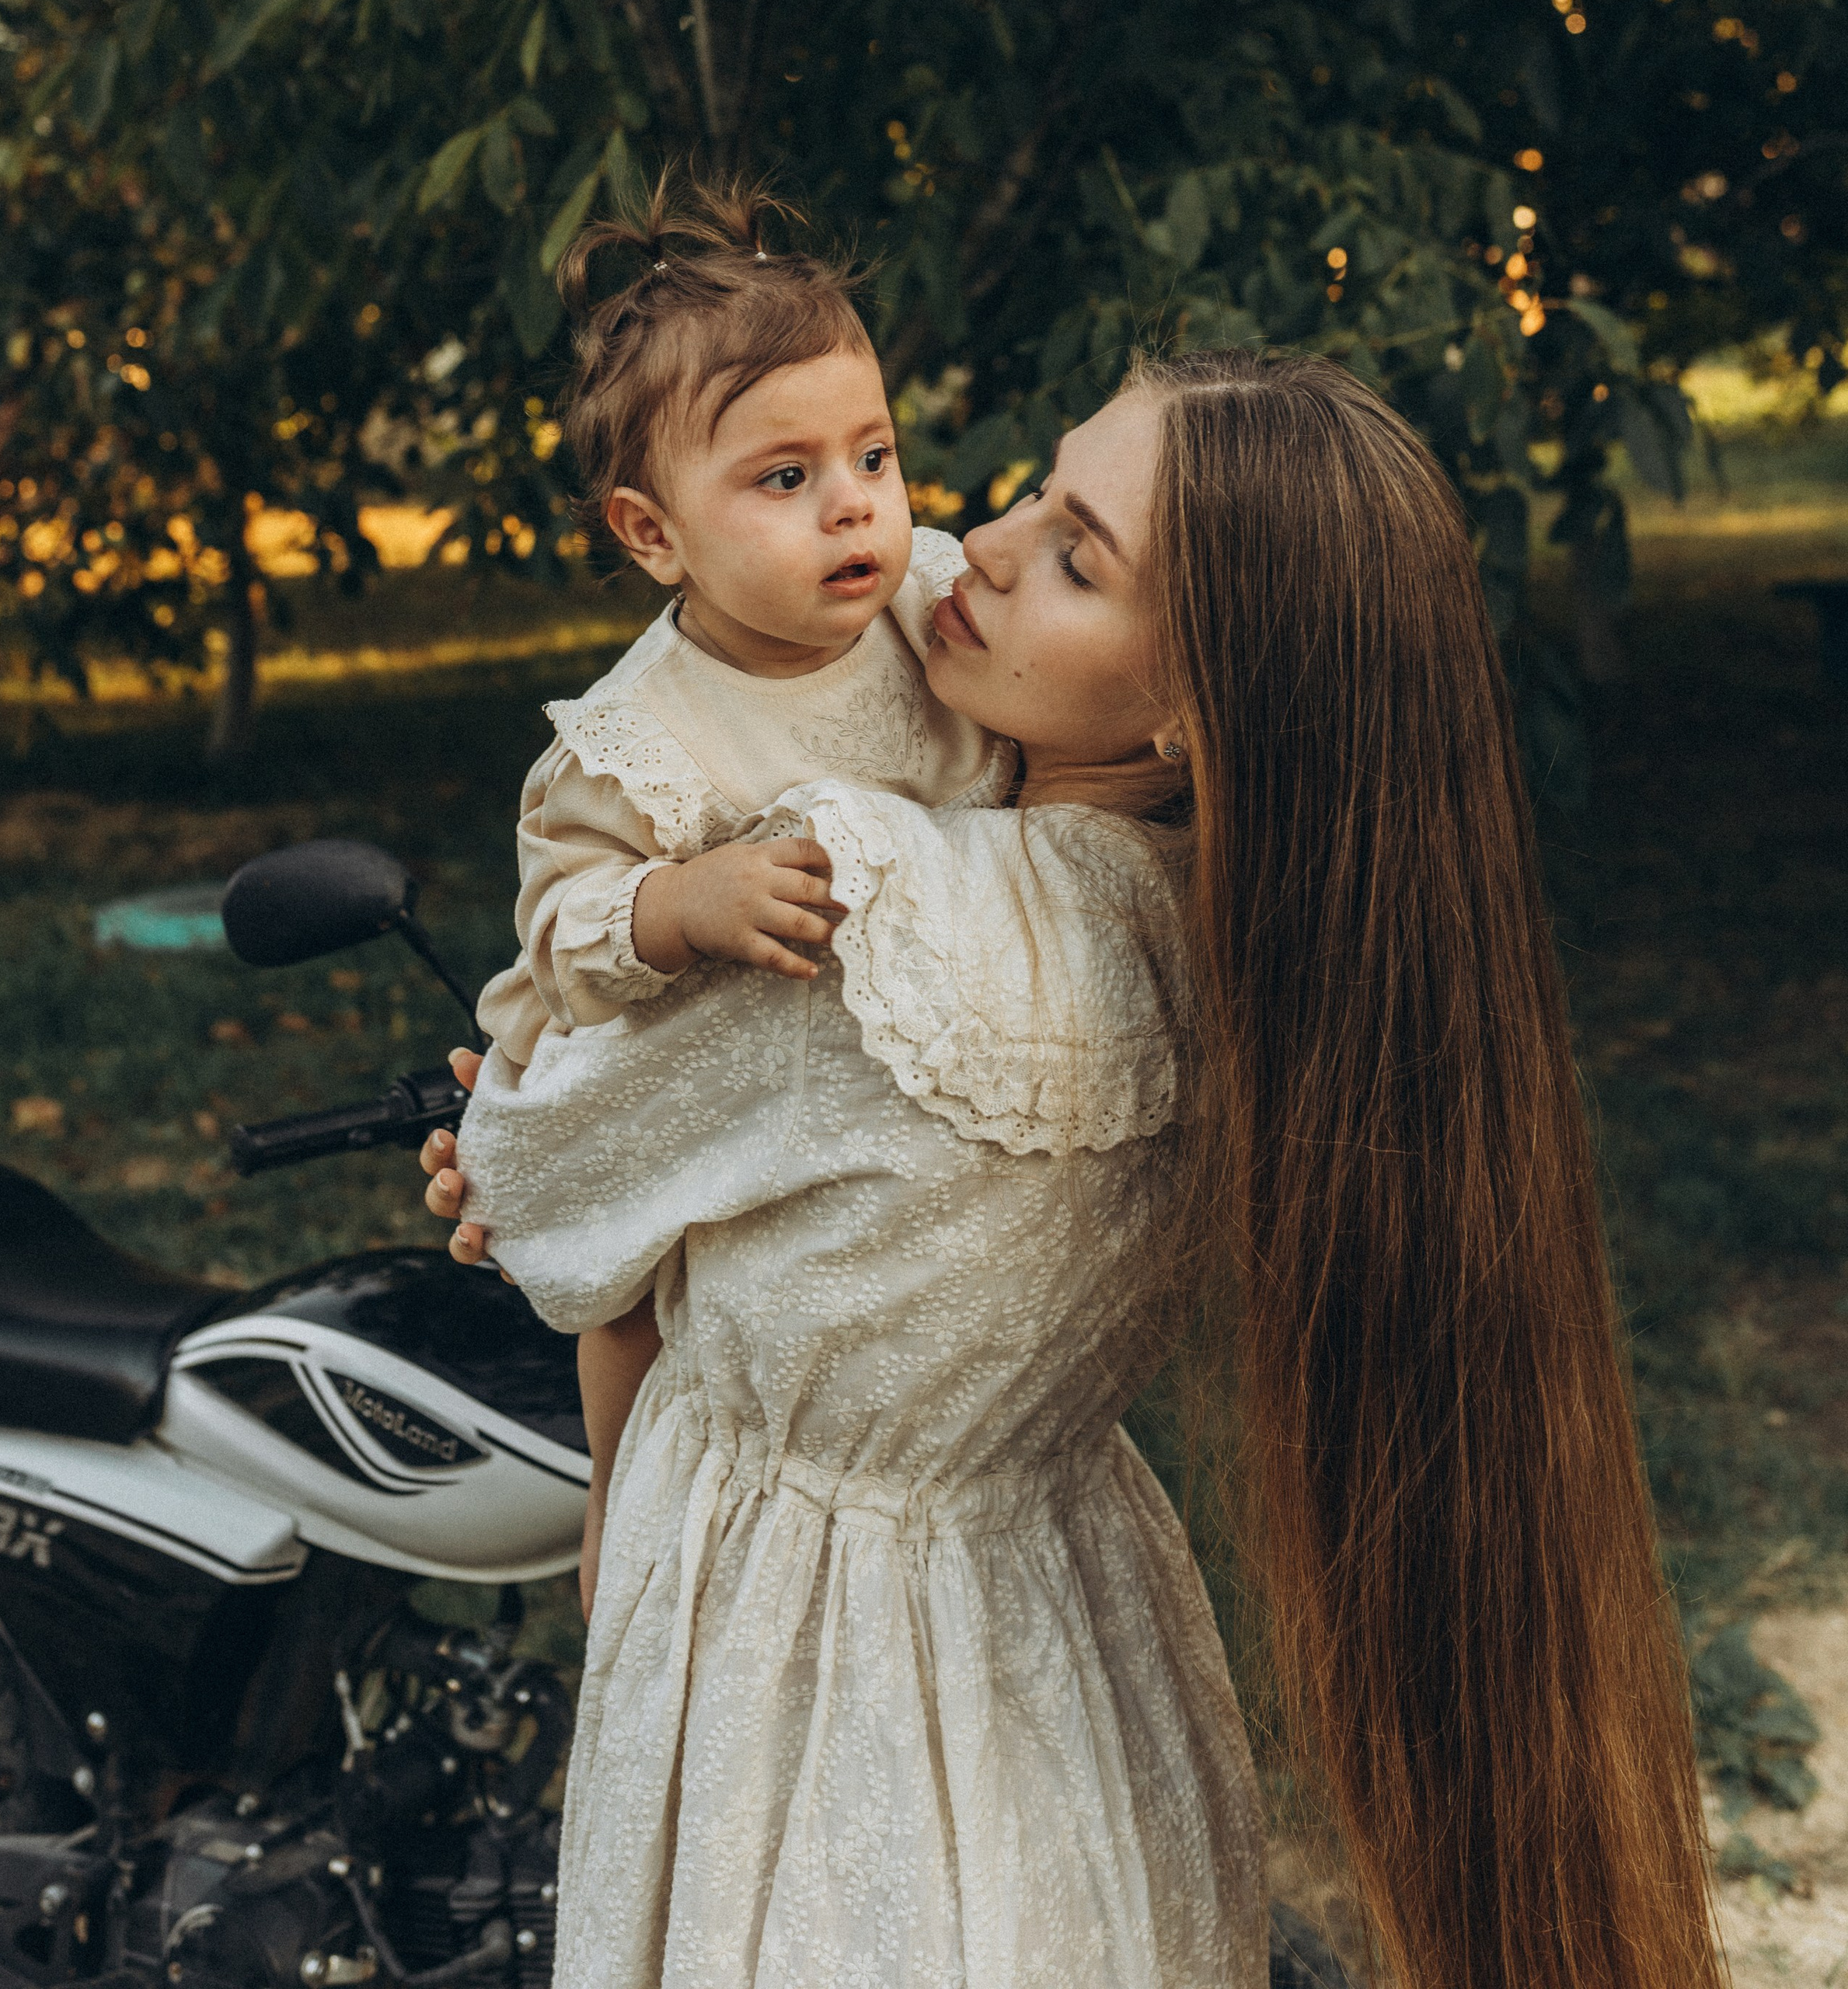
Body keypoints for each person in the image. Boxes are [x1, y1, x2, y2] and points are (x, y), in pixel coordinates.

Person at [425, 350, 1721, 1989]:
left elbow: (537, 1178)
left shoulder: (874, 908)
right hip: (1068, 1655)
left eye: (1077, 557)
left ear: (1196, 708)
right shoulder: (1275, 956)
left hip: (802, 1680)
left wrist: (507, 1130)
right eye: (1036, 486)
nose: (974, 548)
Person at [472, 169, 1009, 1611]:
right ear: (653, 534)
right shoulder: (644, 732)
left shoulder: (931, 602)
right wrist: (685, 900)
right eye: (786, 480)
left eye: (876, 456)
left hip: (879, 1067)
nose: (857, 508)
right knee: (640, 1298)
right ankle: (615, 1500)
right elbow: (561, 921)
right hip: (668, 1060)